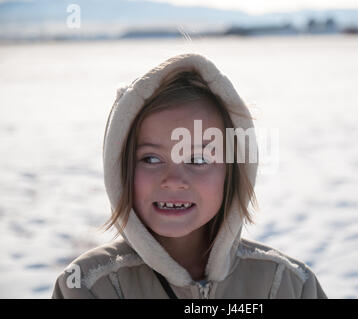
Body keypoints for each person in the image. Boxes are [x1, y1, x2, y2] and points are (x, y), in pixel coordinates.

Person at [51, 53, 327, 299]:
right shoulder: (89, 286)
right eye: (150, 159)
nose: (172, 179)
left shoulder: (287, 286)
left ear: (232, 172)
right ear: (122, 170)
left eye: (197, 159)